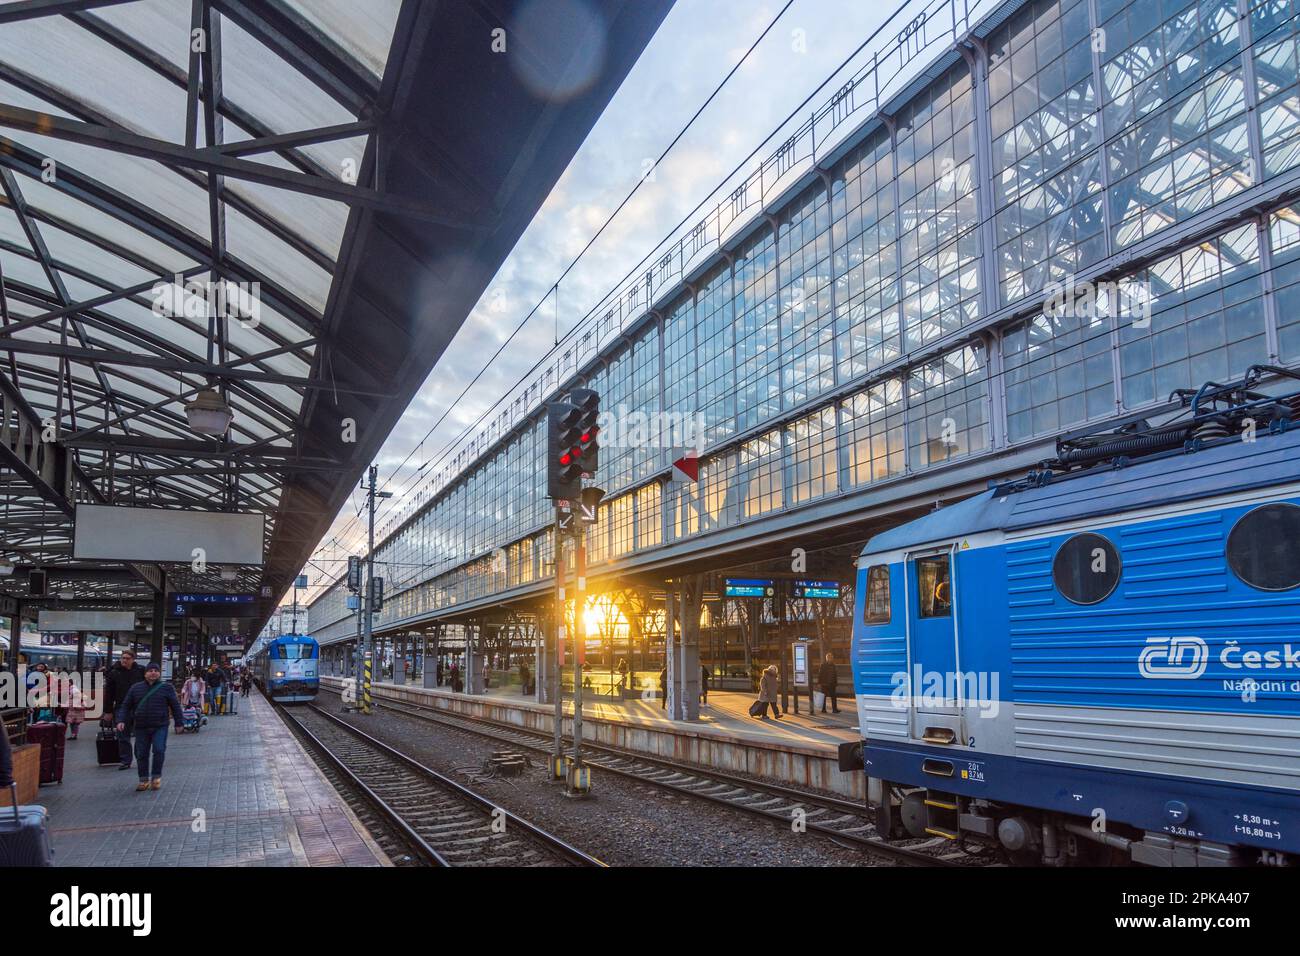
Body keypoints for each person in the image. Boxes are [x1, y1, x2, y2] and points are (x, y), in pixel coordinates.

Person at [115, 661, 183, 792]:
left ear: (159, 673)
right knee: (141, 753)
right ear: (145, 674)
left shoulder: (166, 687)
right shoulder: (136, 688)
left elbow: (175, 706)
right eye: (150, 671)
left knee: (159, 750)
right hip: (141, 727)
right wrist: (121, 720)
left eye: (156, 671)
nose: (153, 673)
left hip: (160, 725)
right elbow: (126, 705)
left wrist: (179, 723)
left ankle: (156, 777)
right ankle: (143, 779)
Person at [103, 650, 145, 769]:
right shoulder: (114, 673)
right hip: (121, 707)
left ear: (133, 659)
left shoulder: (141, 671)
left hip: (139, 707)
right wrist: (108, 711)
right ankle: (125, 760)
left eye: (127, 658)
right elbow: (109, 693)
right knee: (122, 734)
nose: (124, 660)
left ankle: (140, 757)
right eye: (123, 658)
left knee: (141, 734)